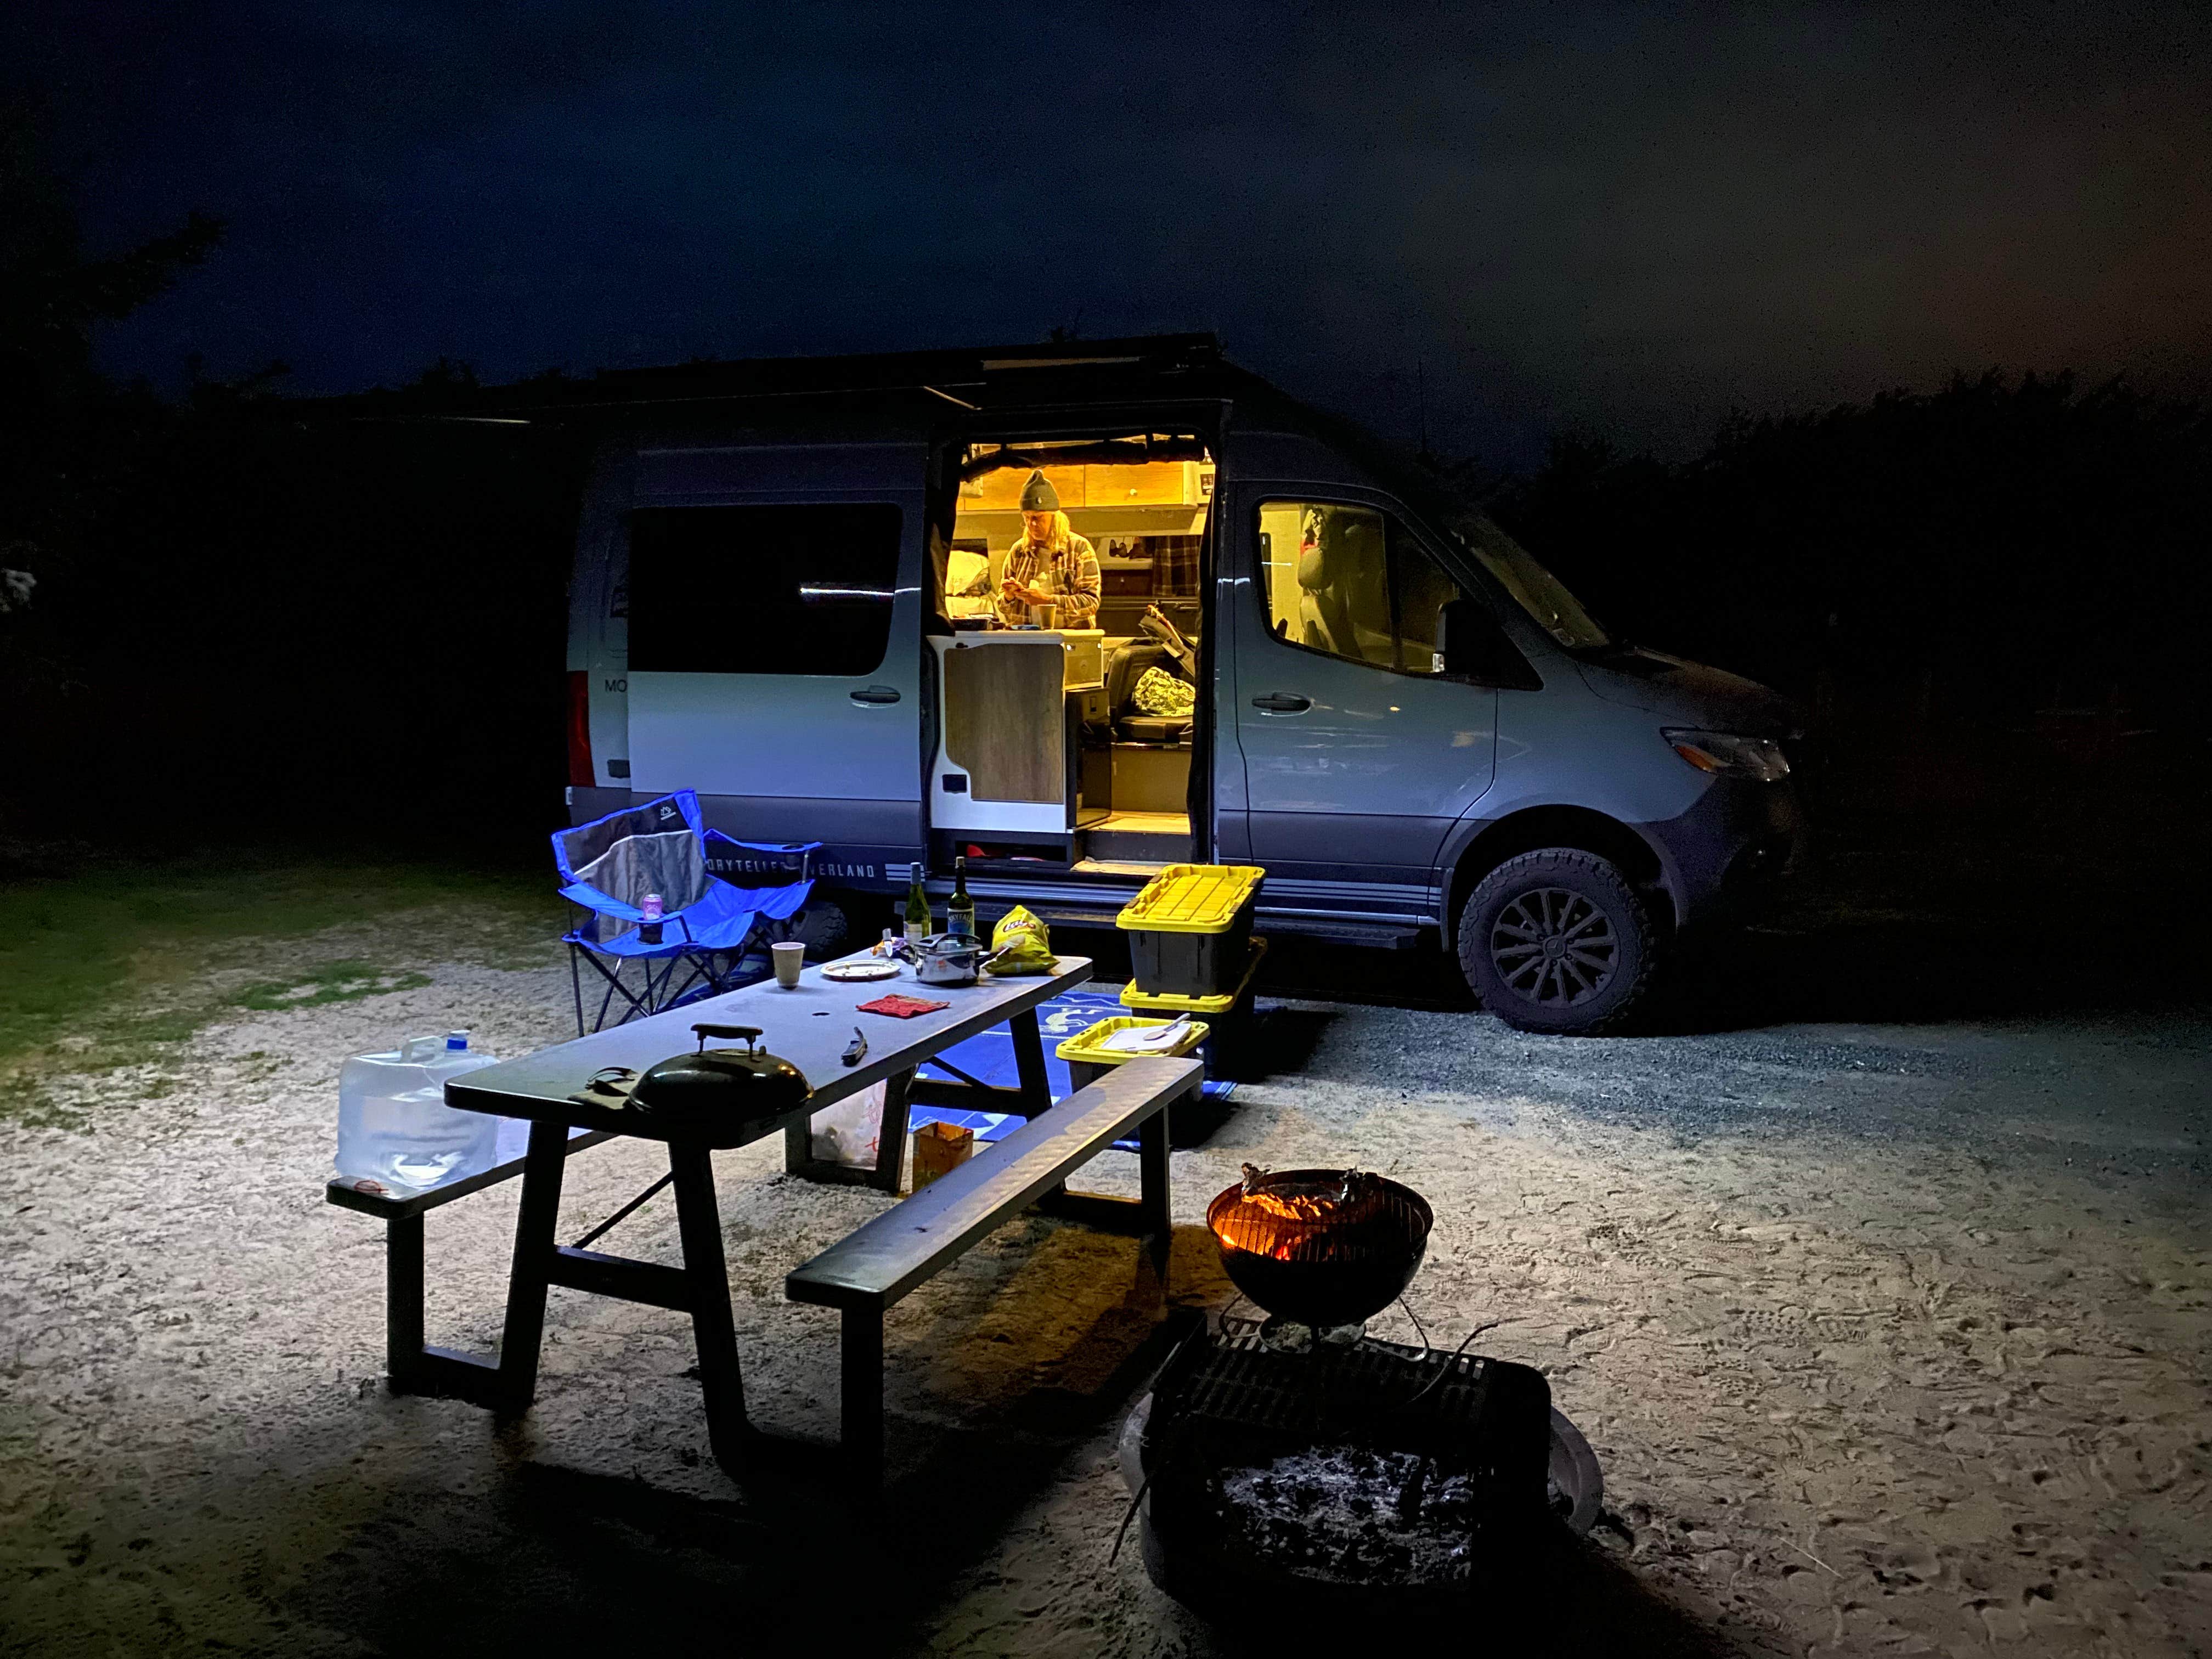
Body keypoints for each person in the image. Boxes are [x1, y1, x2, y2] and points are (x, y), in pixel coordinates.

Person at [995, 470, 1101, 627]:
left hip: (1069, 637)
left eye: (1038, 518)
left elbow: (1090, 603)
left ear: (1055, 518)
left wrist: (1047, 601)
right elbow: (1003, 606)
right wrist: (1009, 596)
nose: (1032, 524)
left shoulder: (1079, 548)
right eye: (1027, 518)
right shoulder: (1018, 551)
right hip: (1027, 638)